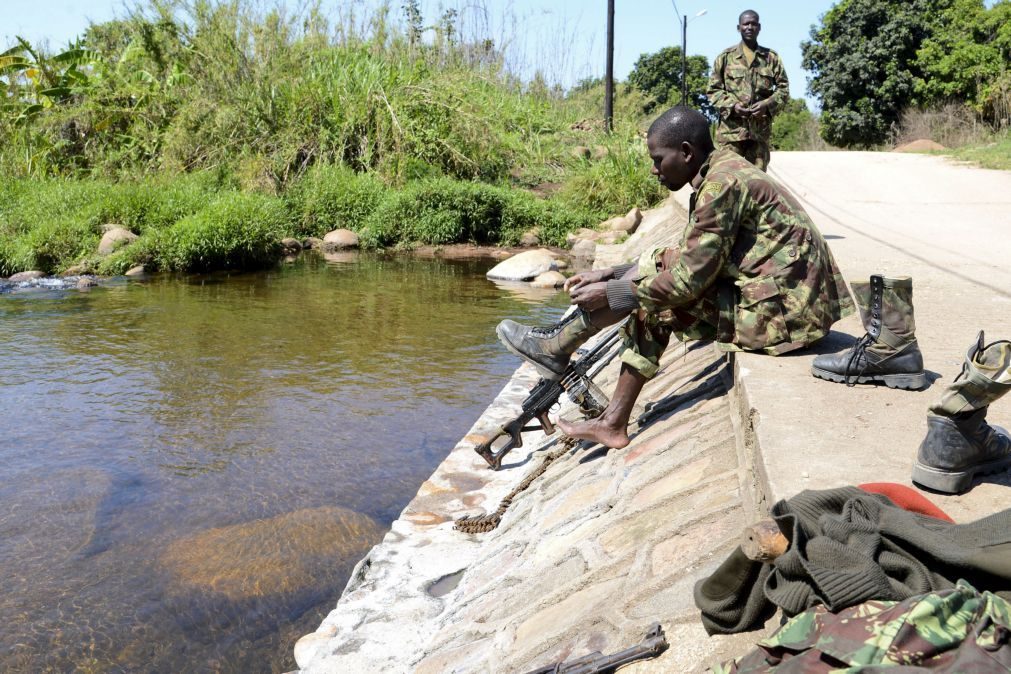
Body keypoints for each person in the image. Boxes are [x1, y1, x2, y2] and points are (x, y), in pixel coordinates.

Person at [497, 105, 853, 449]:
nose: (654, 170)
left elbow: (686, 282)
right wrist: (615, 272)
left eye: (657, 159)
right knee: (650, 276)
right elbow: (686, 256)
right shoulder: (722, 171)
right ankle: (561, 351)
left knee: (655, 304)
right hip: (793, 305)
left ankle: (600, 408)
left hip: (788, 318)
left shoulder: (720, 186)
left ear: (685, 152)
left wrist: (615, 291)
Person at [706, 10, 789, 171]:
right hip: (731, 133)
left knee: (757, 183)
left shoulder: (771, 58)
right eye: (746, 24)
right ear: (739, 27)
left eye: (753, 23)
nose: (750, 27)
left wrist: (767, 105)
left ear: (759, 27)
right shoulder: (725, 57)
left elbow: (784, 90)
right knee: (728, 178)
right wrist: (732, 106)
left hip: (759, 133)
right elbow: (713, 90)